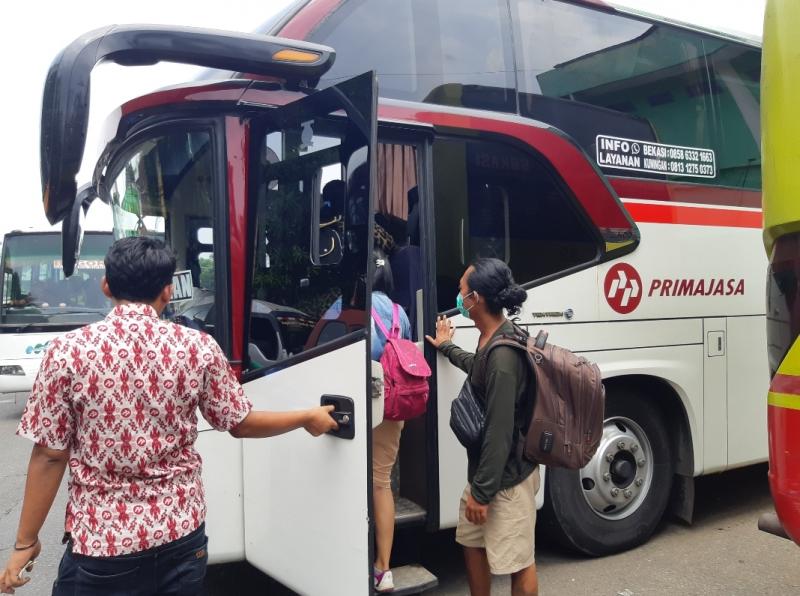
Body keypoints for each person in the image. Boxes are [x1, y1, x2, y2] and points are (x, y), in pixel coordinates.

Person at [0, 237, 338, 595]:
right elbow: (241, 423)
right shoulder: (198, 347)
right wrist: (306, 417)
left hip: (104, 545)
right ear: (166, 291)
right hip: (182, 537)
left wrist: (25, 543)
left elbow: (50, 455)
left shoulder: (67, 352)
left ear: (106, 286)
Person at [426, 258, 539, 596]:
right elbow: (478, 367)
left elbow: (500, 430)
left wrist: (483, 492)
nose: (457, 296)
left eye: (462, 290)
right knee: (471, 544)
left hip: (506, 480)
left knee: (519, 564)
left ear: (476, 299)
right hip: (485, 474)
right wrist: (446, 347)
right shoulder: (490, 340)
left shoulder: (503, 356)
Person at [371, 248, 411, 593]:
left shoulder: (349, 307)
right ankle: (383, 569)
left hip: (356, 403)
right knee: (381, 483)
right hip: (393, 406)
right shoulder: (401, 313)